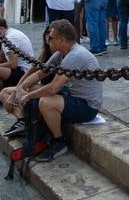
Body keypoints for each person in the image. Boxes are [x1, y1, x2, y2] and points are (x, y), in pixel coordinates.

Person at [13, 19, 105, 162]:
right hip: (73, 96)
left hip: (87, 107)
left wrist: (28, 96)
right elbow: (39, 74)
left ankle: (59, 142)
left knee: (45, 102)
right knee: (33, 89)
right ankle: (32, 132)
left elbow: (53, 88)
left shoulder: (75, 55)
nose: (47, 40)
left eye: (50, 37)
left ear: (62, 39)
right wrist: (21, 88)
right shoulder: (60, 53)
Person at [0, 28, 54, 138]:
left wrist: (24, 91)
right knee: (5, 93)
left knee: (31, 88)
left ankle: (26, 123)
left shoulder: (59, 55)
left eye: (52, 35)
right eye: (47, 33)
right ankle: (22, 120)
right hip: (41, 86)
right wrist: (17, 90)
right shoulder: (45, 53)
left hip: (51, 89)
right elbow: (30, 72)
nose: (49, 37)